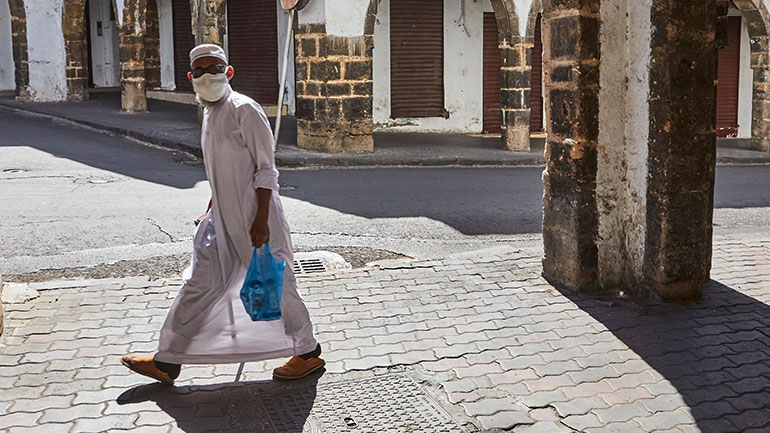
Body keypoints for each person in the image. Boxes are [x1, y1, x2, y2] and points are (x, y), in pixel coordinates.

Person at [121, 44, 324, 384]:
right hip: (222, 221)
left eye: (214, 68)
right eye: (199, 71)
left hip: (256, 219)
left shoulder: (244, 109)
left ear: (228, 72)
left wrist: (260, 222)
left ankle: (307, 353)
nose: (206, 76)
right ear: (190, 78)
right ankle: (167, 361)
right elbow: (221, 171)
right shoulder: (209, 113)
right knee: (197, 285)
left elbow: (266, 171)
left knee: (275, 284)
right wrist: (210, 210)